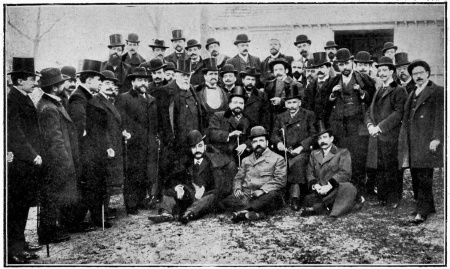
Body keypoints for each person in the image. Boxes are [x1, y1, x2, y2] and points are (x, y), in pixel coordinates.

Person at [148, 130, 237, 224]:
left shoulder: (213, 163)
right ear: (190, 149)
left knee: (212, 196)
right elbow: (174, 178)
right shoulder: (187, 163)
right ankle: (165, 214)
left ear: (204, 146)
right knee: (170, 192)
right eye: (194, 147)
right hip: (190, 195)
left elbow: (220, 188)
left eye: (200, 146)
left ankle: (189, 214)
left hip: (207, 199)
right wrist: (178, 189)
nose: (197, 150)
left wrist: (202, 193)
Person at [325, 48, 376, 203]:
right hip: (341, 127)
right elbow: (324, 105)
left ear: (352, 63)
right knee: (344, 159)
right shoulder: (333, 81)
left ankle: (359, 191)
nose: (345, 67)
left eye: (347, 63)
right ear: (337, 67)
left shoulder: (364, 79)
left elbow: (372, 100)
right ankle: (344, 191)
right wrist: (332, 95)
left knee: (359, 159)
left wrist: (361, 93)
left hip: (358, 126)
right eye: (341, 65)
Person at [36, 68, 79, 243]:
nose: (65, 85)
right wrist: (66, 162)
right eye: (62, 83)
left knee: (54, 197)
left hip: (58, 161)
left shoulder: (53, 104)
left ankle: (52, 230)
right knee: (51, 198)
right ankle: (47, 233)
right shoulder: (49, 108)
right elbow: (55, 140)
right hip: (56, 162)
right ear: (55, 87)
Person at [68, 59, 112, 228]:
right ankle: (77, 222)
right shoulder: (78, 98)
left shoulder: (87, 96)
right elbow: (80, 129)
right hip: (87, 153)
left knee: (95, 185)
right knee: (88, 186)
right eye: (98, 79)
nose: (100, 83)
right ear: (88, 80)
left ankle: (96, 218)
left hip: (95, 151)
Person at [398, 59, 444, 224]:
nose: (418, 76)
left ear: (428, 73)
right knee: (416, 174)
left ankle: (422, 211)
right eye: (415, 74)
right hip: (413, 140)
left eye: (420, 73)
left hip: (427, 140)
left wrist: (437, 138)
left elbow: (441, 116)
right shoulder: (412, 92)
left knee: (424, 175)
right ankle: (426, 206)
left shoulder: (438, 91)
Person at [7, 57, 43, 264]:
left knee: (22, 207)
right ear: (20, 81)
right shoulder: (13, 100)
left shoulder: (23, 96)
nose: (35, 82)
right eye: (31, 79)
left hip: (26, 162)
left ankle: (20, 243)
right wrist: (32, 154)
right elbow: (15, 133)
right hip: (19, 163)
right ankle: (14, 250)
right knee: (16, 208)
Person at [364, 57, 407, 208]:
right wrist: (370, 125)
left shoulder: (399, 90)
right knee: (380, 166)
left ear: (392, 72)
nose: (381, 73)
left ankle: (394, 199)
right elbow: (369, 111)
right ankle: (383, 197)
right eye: (379, 70)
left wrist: (379, 127)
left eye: (385, 70)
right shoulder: (379, 90)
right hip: (377, 136)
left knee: (392, 167)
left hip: (391, 136)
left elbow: (398, 113)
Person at [220, 126, 287, 222]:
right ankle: (257, 214)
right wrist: (237, 188)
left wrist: (263, 190)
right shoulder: (246, 160)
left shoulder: (277, 159)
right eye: (255, 142)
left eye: (261, 141)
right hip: (248, 196)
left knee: (273, 196)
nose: (258, 144)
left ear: (267, 142)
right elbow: (238, 178)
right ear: (251, 144)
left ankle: (245, 211)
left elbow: (280, 180)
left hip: (266, 195)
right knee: (226, 202)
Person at [116, 67, 160, 215]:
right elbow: (120, 120)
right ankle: (131, 204)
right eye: (140, 80)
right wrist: (125, 133)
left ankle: (141, 200)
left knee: (145, 172)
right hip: (133, 143)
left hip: (149, 142)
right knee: (132, 173)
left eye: (145, 80)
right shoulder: (124, 98)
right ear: (133, 81)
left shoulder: (151, 99)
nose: (143, 83)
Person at [271, 84, 316, 211]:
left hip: (302, 151)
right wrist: (278, 143)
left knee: (297, 162)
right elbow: (274, 133)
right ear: (285, 104)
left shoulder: (308, 115)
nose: (291, 105)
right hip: (285, 150)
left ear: (300, 102)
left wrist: (301, 147)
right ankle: (280, 195)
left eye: (294, 102)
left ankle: (295, 197)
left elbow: (314, 134)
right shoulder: (280, 117)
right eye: (289, 102)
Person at [302, 124, 357, 219]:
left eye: (324, 137)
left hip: (334, 188)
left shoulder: (343, 152)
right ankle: (334, 205)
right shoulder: (314, 154)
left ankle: (326, 207)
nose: (322, 141)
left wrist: (329, 186)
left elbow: (345, 172)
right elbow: (309, 172)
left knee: (348, 188)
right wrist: (316, 185)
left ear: (331, 139)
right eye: (319, 139)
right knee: (307, 199)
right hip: (320, 190)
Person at [95, 70, 125, 220]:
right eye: (107, 83)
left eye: (112, 84)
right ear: (100, 84)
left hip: (114, 144)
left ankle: (104, 210)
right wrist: (108, 145)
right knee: (104, 179)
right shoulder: (98, 101)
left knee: (109, 179)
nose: (110, 86)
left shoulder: (109, 100)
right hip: (106, 146)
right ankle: (101, 214)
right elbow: (101, 128)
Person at [208, 86, 252, 162]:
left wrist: (245, 145)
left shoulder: (247, 120)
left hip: (242, 157)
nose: (238, 105)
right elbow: (211, 133)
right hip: (222, 157)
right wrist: (229, 134)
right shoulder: (219, 116)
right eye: (235, 102)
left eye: (241, 103)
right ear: (229, 104)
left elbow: (252, 137)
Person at [264, 58, 302, 134]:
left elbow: (300, 103)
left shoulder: (296, 85)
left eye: (280, 69)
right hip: (272, 122)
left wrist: (281, 101)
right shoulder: (269, 84)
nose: (278, 72)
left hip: (288, 121)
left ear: (286, 71)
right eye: (275, 70)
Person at [196, 58, 228, 122]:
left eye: (215, 74)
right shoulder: (198, 91)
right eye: (211, 74)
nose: (213, 76)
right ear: (205, 76)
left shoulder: (224, 92)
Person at [303, 52, 333, 124]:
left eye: (321, 67)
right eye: (316, 67)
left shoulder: (334, 83)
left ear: (328, 68)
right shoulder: (310, 87)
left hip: (330, 122)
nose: (319, 70)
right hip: (315, 123)